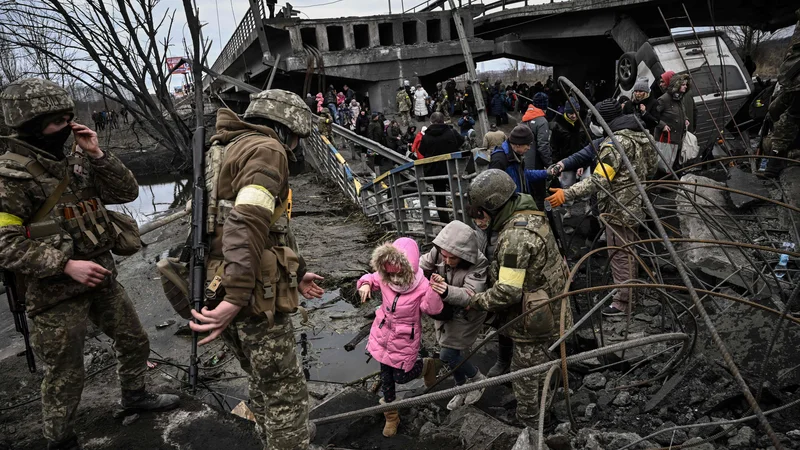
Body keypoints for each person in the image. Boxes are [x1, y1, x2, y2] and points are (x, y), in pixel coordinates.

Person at [0, 78, 179, 450]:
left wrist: (97, 154)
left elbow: (127, 192)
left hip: (101, 274)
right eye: (56, 122)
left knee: (133, 339)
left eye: (69, 118)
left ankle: (134, 396)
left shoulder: (77, 160)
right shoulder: (9, 176)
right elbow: (5, 243)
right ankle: (61, 440)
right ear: (30, 126)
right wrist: (65, 265)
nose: (66, 127)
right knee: (65, 371)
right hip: (54, 290)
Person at [189, 90, 325, 450]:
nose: (295, 148)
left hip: (221, 279)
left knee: (262, 378)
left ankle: (272, 437)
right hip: (248, 291)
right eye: (297, 139)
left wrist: (297, 273)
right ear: (287, 128)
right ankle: (288, 442)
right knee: (285, 389)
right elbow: (247, 222)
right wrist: (236, 296)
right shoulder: (267, 150)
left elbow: (267, 230)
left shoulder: (223, 149)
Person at [467, 169, 569, 429]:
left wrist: (475, 301)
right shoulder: (529, 212)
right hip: (553, 305)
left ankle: (532, 423)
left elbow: (508, 292)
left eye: (479, 214)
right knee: (542, 360)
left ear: (493, 206)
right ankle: (544, 402)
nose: (477, 221)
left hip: (534, 318)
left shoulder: (515, 237)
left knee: (522, 371)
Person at [546, 99, 657, 316]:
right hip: (636, 204)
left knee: (619, 254)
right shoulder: (641, 135)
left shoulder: (614, 145)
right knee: (629, 250)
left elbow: (599, 181)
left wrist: (566, 193)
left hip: (617, 209)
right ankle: (631, 291)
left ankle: (623, 303)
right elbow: (652, 169)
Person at [357, 237, 442, 437]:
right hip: (382, 335)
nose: (393, 279)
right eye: (389, 273)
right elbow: (371, 277)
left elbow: (432, 309)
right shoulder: (385, 276)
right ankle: (391, 416)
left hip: (405, 340)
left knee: (401, 377)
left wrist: (434, 291)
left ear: (408, 268)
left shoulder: (422, 286)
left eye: (398, 274)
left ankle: (427, 366)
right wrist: (366, 284)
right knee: (386, 377)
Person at [419, 221, 489, 410]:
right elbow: (419, 267)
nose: (447, 261)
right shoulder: (438, 251)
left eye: (453, 258)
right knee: (453, 352)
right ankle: (461, 387)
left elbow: (471, 294)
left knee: (448, 353)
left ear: (464, 255)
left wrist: (446, 290)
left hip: (467, 314)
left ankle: (478, 380)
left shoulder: (479, 262)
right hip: (443, 310)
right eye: (445, 256)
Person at [764, 8, 800, 178]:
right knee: (783, 114)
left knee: (789, 118)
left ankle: (774, 163)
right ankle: (775, 161)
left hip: (793, 84)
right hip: (792, 83)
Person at [419, 112, 464, 224]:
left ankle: (445, 224)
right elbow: (461, 141)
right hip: (453, 168)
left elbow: (421, 151)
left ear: (431, 122)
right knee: (459, 193)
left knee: (440, 199)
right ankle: (463, 220)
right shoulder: (451, 132)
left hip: (435, 172)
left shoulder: (426, 136)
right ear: (443, 121)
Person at [490, 125, 548, 196]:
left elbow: (525, 174)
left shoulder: (516, 155)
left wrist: (546, 173)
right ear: (518, 145)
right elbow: (494, 190)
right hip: (512, 205)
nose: (529, 148)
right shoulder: (499, 160)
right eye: (528, 145)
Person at [550, 97, 589, 190]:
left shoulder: (585, 122)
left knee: (586, 184)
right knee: (567, 186)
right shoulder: (558, 125)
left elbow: (588, 142)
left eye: (576, 112)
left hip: (584, 158)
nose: (574, 116)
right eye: (571, 113)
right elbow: (554, 147)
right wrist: (557, 164)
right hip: (566, 160)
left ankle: (586, 203)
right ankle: (567, 203)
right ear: (566, 113)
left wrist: (585, 163)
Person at [521, 94, 553, 208]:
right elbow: (543, 146)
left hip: (525, 164)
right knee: (540, 197)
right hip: (536, 165)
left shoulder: (525, 119)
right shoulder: (542, 121)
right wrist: (550, 165)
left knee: (529, 195)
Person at [655, 73, 694, 161]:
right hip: (667, 141)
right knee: (665, 166)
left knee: (676, 164)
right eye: (683, 85)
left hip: (678, 139)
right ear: (677, 86)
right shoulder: (663, 99)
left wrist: (685, 119)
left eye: (686, 85)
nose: (685, 87)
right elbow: (654, 115)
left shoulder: (679, 98)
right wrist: (662, 125)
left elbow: (681, 112)